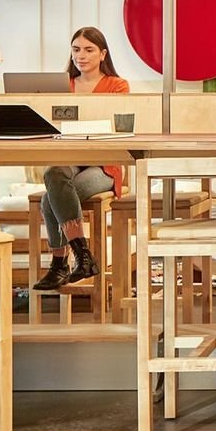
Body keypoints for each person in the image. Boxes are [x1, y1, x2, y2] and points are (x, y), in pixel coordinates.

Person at [34, 26, 130, 291]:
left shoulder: (117, 86)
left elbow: (116, 125)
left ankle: (60, 265)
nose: (81, 55)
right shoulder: (62, 86)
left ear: (103, 54)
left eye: (89, 50)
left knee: (48, 200)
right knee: (54, 173)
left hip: (103, 163)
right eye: (76, 50)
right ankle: (83, 256)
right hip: (70, 156)